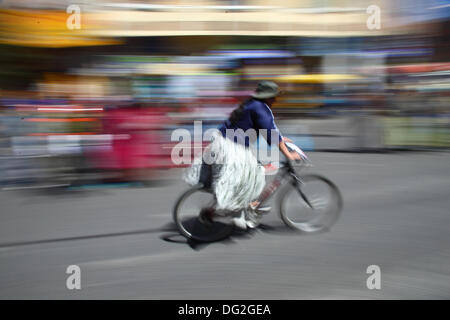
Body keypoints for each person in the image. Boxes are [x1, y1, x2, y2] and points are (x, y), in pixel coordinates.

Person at [184, 81, 302, 229]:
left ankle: (247, 206)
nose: (275, 100)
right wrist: (289, 155)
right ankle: (240, 210)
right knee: (252, 177)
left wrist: (281, 139)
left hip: (223, 143)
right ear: (267, 97)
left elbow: (267, 132)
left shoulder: (251, 104)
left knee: (253, 174)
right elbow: (271, 133)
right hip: (233, 148)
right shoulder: (260, 108)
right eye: (273, 97)